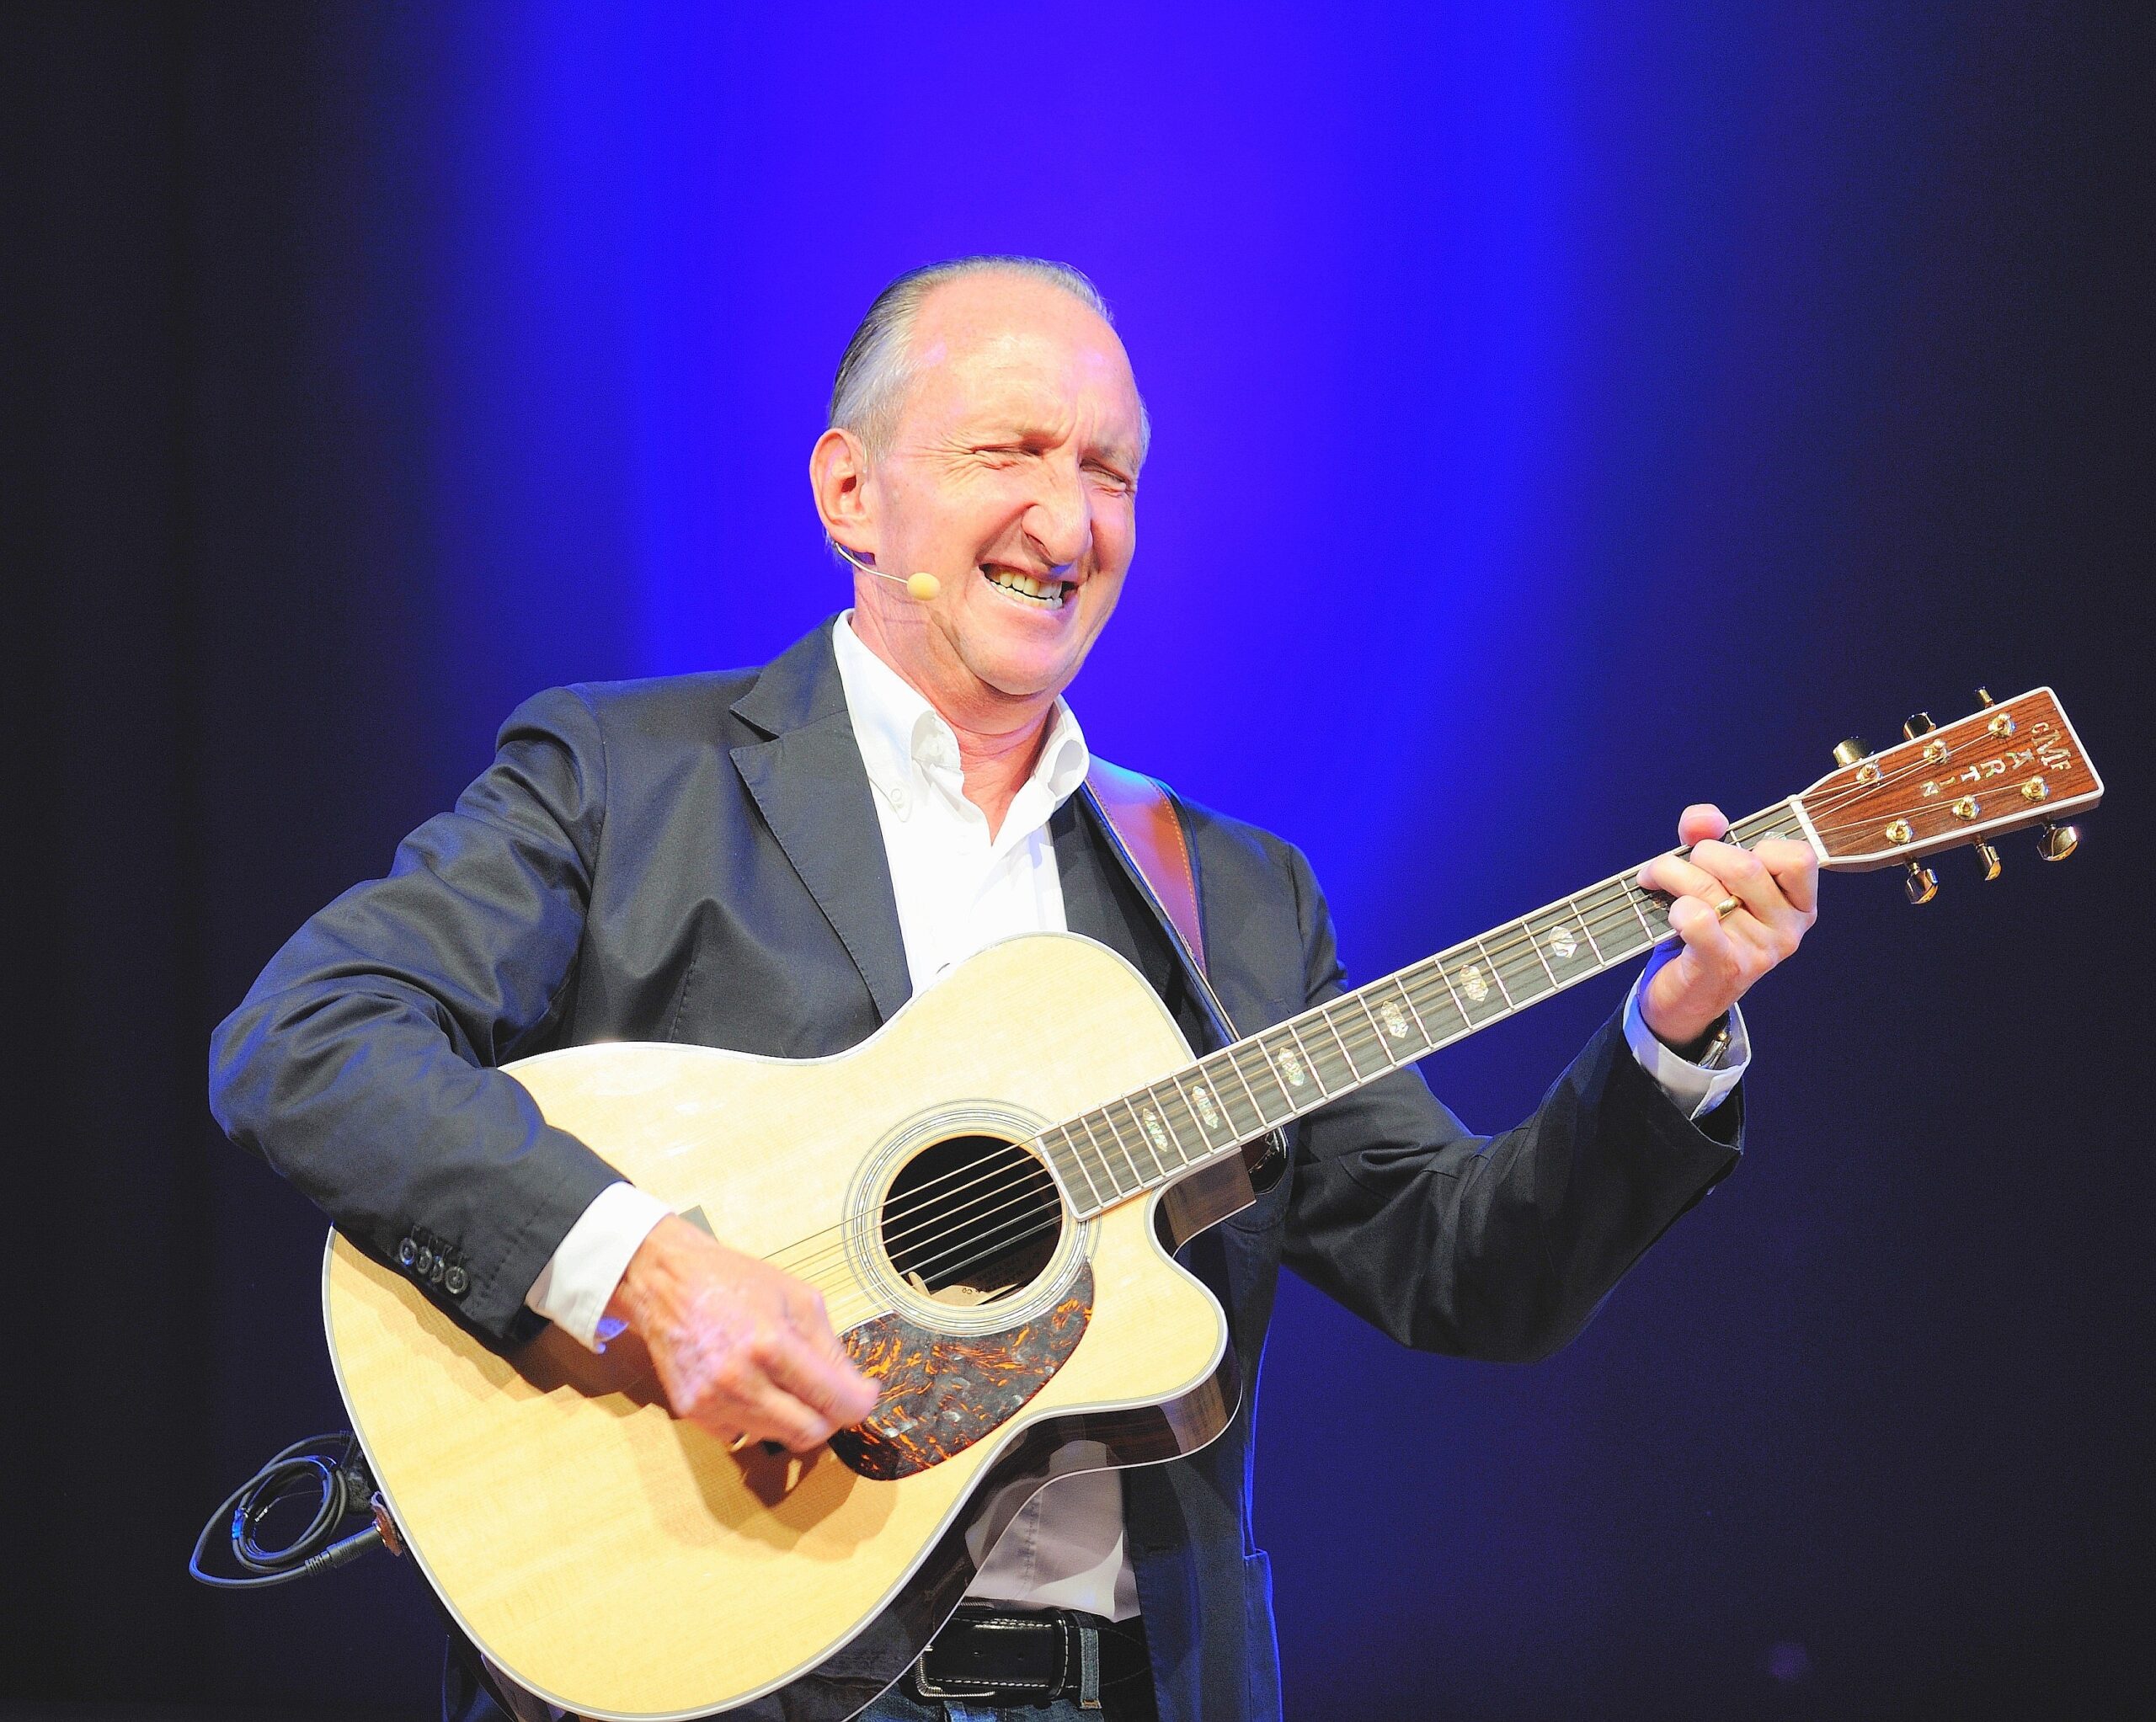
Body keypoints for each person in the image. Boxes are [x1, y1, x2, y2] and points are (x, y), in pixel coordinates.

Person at [209, 256, 1817, 1722]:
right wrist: (654, 1270)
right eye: (1012, 452)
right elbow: (310, 1041)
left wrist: (1672, 1033)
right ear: (853, 489)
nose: (1071, 516)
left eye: (1111, 468)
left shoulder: (1234, 900)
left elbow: (1475, 1273)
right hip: (715, 1678)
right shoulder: (629, 778)